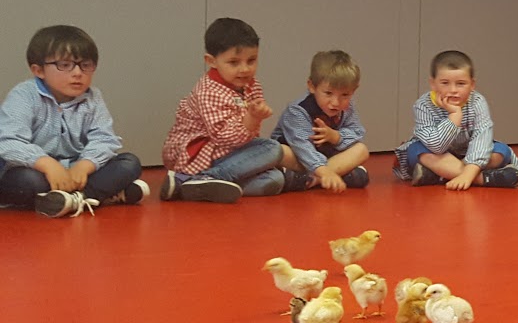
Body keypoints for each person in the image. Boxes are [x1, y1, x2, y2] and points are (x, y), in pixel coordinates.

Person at [0, 25, 146, 217]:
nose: (78, 73)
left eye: (85, 65)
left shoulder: (93, 97)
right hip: (37, 172)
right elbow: (8, 141)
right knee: (27, 181)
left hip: (77, 170)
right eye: (65, 65)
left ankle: (71, 199)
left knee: (129, 163)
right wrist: (46, 164)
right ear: (39, 70)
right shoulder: (24, 95)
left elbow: (104, 139)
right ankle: (101, 194)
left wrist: (86, 165)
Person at [160, 17, 285, 202]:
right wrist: (252, 118)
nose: (245, 69)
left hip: (228, 153)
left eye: (251, 60)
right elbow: (224, 138)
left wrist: (255, 118)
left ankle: (193, 187)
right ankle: (200, 178)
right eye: (234, 62)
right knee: (272, 148)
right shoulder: (208, 91)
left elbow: (246, 138)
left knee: (274, 180)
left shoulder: (251, 85)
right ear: (211, 61)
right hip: (202, 156)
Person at [394, 49, 518, 190]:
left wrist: (469, 172)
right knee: (418, 151)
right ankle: (484, 179)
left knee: (501, 151)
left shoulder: (477, 102)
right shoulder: (423, 105)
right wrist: (454, 116)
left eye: (461, 83)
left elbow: (482, 137)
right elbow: (436, 147)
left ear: (472, 85)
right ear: (433, 84)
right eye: (445, 83)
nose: (453, 90)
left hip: (469, 152)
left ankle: (438, 175)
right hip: (437, 153)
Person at [272, 50, 371, 193]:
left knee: (361, 150)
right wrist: (324, 171)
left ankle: (310, 180)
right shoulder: (297, 110)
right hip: (299, 156)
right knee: (278, 151)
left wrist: (336, 137)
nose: (336, 102)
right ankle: (331, 175)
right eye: (328, 93)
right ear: (312, 86)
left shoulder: (348, 107)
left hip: (327, 156)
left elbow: (357, 132)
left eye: (345, 95)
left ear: (354, 90)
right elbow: (302, 146)